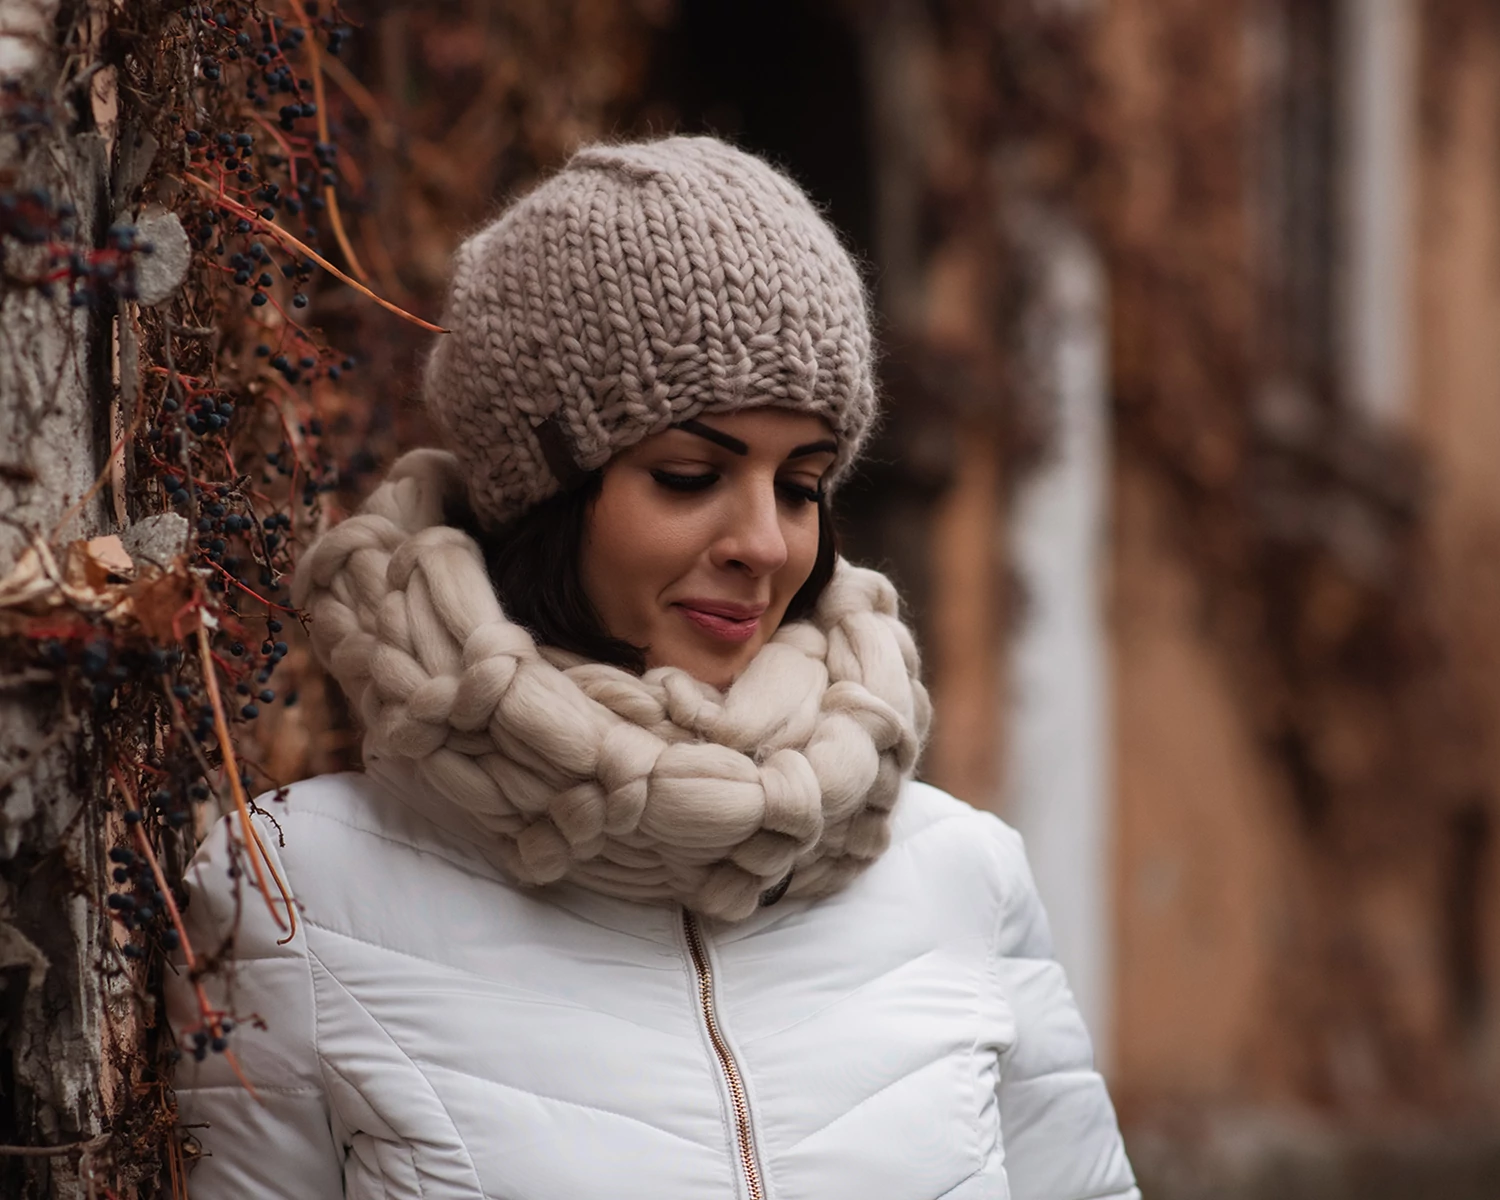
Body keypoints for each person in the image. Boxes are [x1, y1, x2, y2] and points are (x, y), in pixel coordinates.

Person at [168, 135, 1139, 1200]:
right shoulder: (296, 892)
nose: (764, 543)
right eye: (689, 476)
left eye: (804, 484)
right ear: (542, 494)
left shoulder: (965, 876)